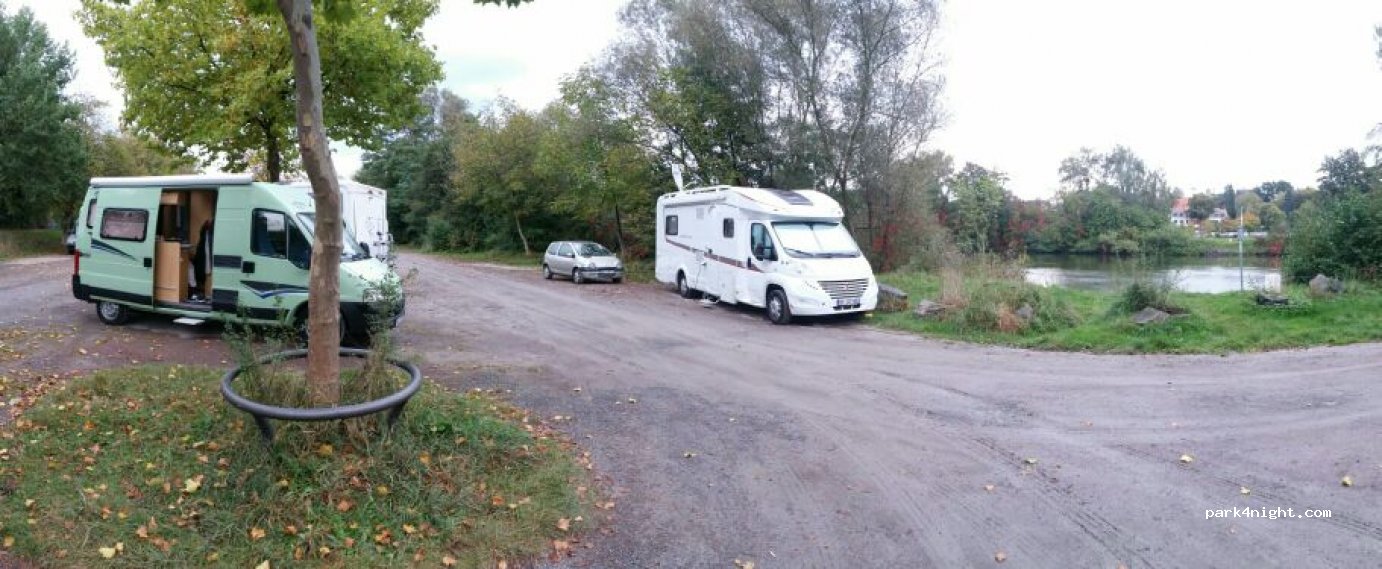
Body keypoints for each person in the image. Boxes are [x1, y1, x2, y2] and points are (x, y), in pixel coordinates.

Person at [190, 220, 212, 301]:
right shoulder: (205, 235)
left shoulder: (206, 235)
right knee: (199, 271)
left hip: (202, 256)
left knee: (197, 271)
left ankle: (199, 291)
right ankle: (199, 291)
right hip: (202, 256)